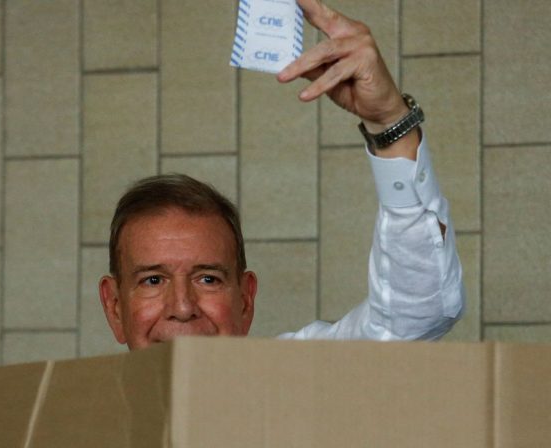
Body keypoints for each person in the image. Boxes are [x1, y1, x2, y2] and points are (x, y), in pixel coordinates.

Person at [99, 0, 465, 350]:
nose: (181, 306)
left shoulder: (295, 380)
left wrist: (389, 121)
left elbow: (410, 320)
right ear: (114, 307)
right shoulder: (60, 409)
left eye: (208, 278)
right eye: (152, 280)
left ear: (245, 300)